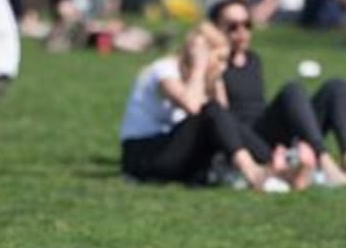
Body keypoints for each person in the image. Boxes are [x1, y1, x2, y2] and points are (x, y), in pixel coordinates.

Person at [211, 0, 346, 188]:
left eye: (247, 25)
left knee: (336, 87)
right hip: (243, 141)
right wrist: (215, 68)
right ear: (216, 29)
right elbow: (220, 116)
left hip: (268, 133)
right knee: (292, 90)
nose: (242, 32)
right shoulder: (213, 65)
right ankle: (324, 162)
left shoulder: (253, 60)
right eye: (232, 27)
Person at [118, 22, 284, 192]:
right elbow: (193, 107)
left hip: (171, 149)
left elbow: (225, 120)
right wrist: (199, 67)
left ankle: (273, 163)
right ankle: (253, 170)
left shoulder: (199, 78)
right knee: (210, 110)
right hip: (143, 156)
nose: (224, 66)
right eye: (219, 59)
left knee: (216, 113)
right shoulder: (164, 70)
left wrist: (215, 83)